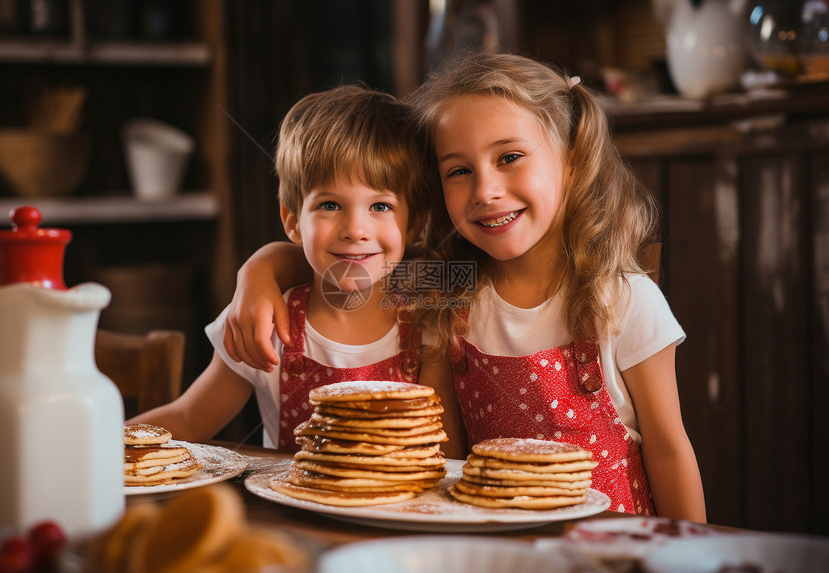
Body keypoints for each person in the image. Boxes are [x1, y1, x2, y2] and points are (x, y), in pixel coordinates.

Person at [222, 52, 706, 522]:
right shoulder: (449, 286)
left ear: (573, 159)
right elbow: (345, 271)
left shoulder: (622, 297)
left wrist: (693, 555)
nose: (485, 191)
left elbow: (667, 450)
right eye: (459, 171)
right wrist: (259, 272)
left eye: (510, 157)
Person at [129, 85, 463, 454]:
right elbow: (190, 420)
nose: (355, 229)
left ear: (412, 225)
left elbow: (445, 455)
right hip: (285, 512)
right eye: (331, 205)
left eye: (380, 206)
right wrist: (89, 445)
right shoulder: (266, 322)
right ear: (292, 221)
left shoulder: (430, 322)